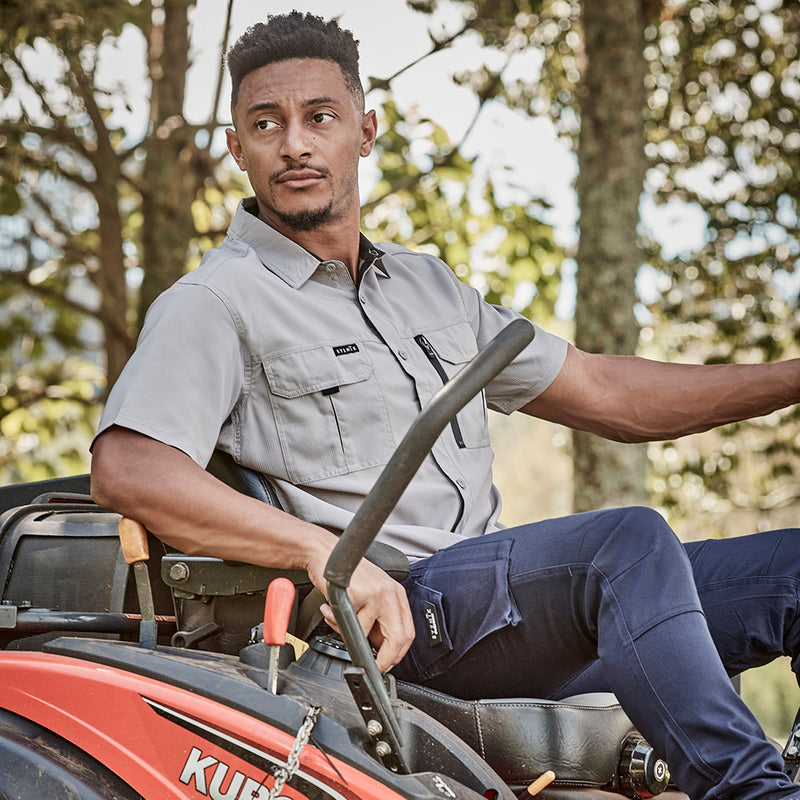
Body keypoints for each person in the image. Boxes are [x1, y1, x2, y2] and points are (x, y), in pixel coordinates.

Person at [90, 11, 800, 800]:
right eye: (267, 124)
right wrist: (322, 555)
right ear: (237, 148)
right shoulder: (214, 302)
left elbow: (606, 390)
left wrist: (791, 378)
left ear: (364, 130)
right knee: (624, 544)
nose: (294, 143)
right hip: (393, 621)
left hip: (508, 617)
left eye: (318, 117)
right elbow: (130, 468)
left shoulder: (429, 289)